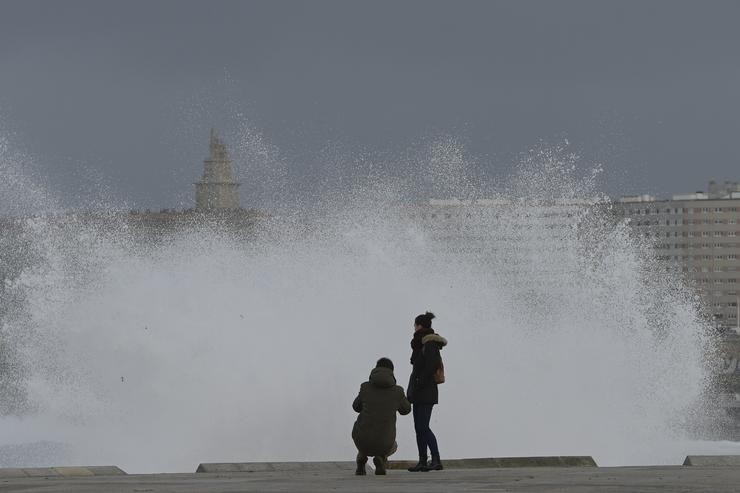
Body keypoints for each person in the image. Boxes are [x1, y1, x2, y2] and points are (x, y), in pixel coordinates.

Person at [352, 357, 412, 475]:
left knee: (363, 435)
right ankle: (381, 458)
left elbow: (355, 407)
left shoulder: (365, 387)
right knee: (393, 445)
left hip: (361, 439)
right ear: (392, 372)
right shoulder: (398, 391)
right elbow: (406, 410)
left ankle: (361, 458)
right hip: (385, 442)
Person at [407, 311, 447, 472]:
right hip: (419, 392)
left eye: (415, 325)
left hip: (426, 392)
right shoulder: (420, 344)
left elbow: (431, 366)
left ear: (420, 326)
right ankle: (422, 460)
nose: (414, 328)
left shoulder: (429, 343)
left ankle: (436, 459)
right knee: (419, 428)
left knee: (423, 427)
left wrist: (419, 381)